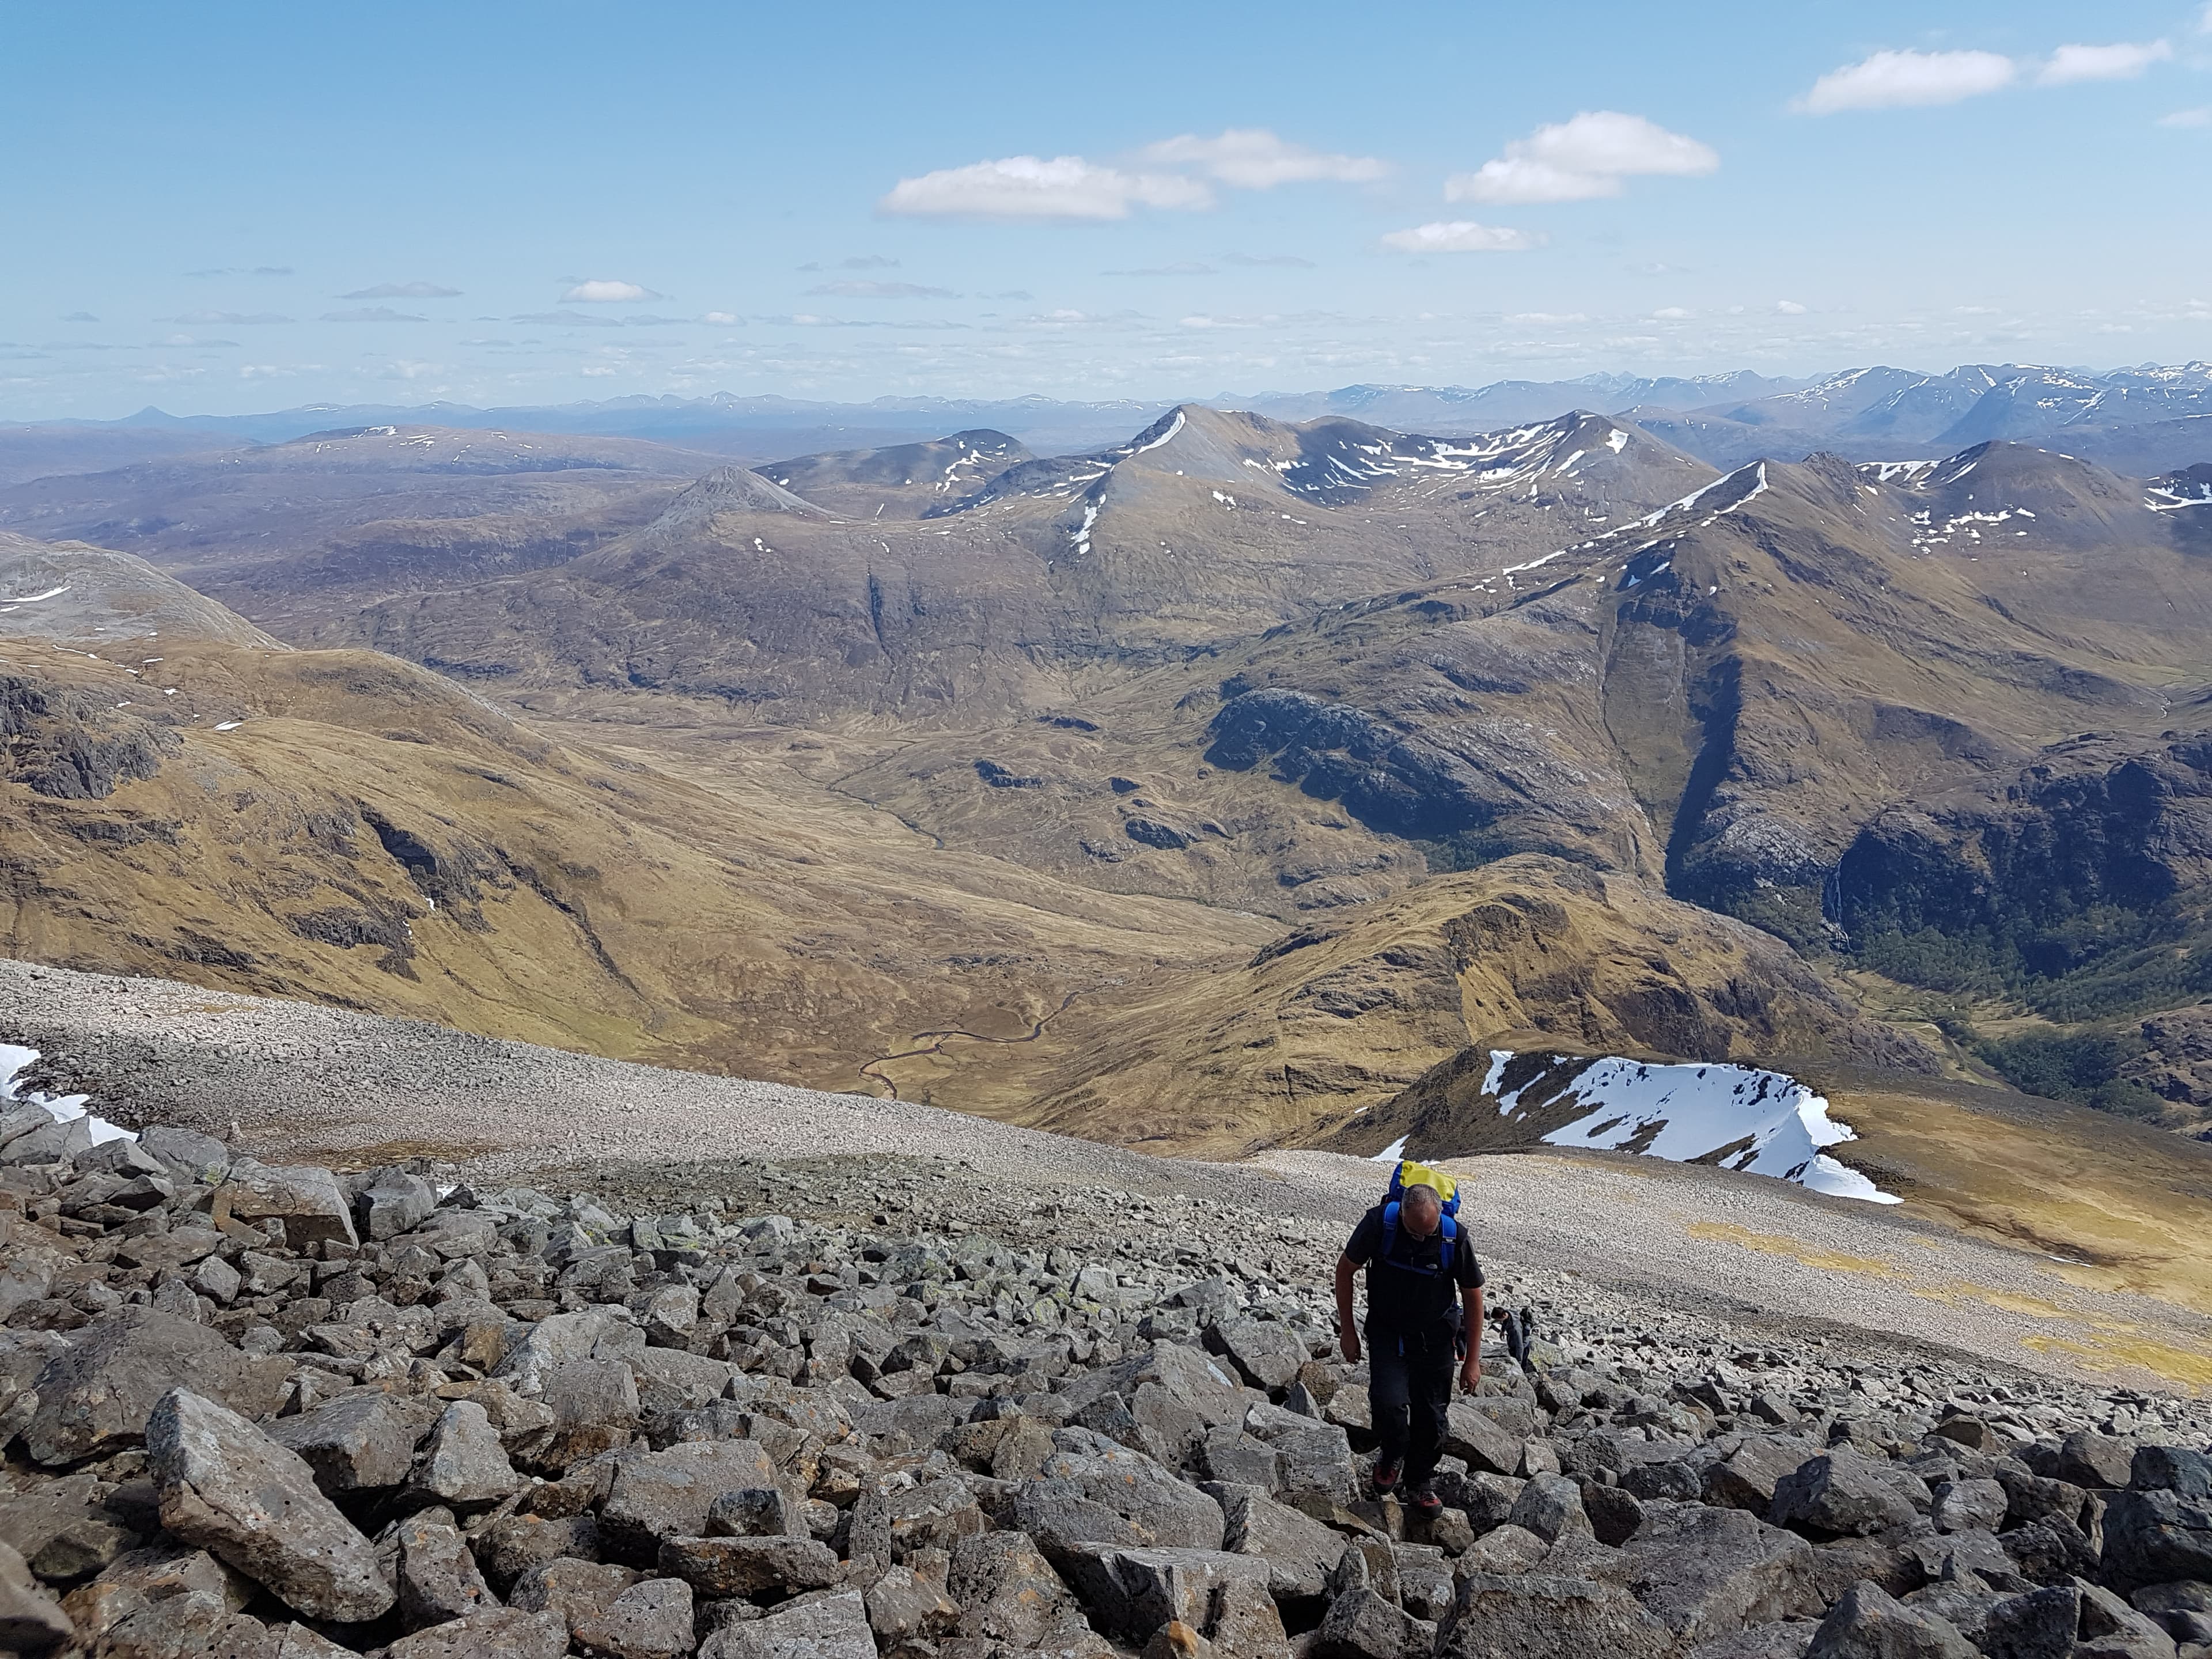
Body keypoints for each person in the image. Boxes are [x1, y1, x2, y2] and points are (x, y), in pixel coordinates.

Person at [1334, 1180, 1484, 1516]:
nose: (1420, 1238)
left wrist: (1472, 1360)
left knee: (1432, 1417)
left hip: (1436, 1338)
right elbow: (1345, 1271)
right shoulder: (1378, 1224)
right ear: (1401, 1214)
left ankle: (1419, 1482)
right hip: (1388, 1333)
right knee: (1388, 1402)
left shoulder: (1452, 1236)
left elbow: (1473, 1295)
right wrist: (1348, 1332)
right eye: (1414, 1232)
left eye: (1427, 1232)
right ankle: (1392, 1454)